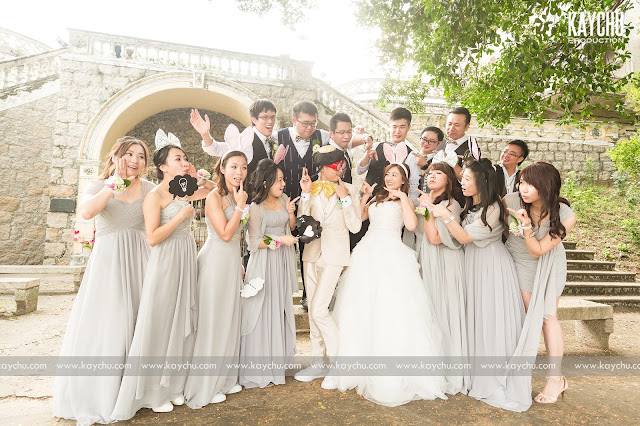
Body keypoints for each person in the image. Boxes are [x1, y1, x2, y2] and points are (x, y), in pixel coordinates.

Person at [322, 163, 447, 407]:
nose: (389, 178)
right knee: (359, 306)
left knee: (389, 308)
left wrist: (403, 198)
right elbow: (359, 220)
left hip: (391, 253)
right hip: (367, 251)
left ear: (403, 181)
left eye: (395, 175)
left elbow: (411, 225)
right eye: (388, 174)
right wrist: (365, 196)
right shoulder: (376, 199)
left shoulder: (404, 201)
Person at [112, 132, 214, 419]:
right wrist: (180, 217)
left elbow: (217, 191)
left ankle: (174, 386)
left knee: (181, 321)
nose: (184, 162)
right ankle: (152, 392)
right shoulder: (154, 196)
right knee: (160, 321)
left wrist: (199, 178)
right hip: (165, 260)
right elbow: (153, 237)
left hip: (186, 258)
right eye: (178, 158)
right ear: (163, 166)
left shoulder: (185, 189)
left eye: (185, 158)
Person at [53, 137, 154, 425]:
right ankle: (103, 393)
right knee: (110, 322)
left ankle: (134, 392)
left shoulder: (149, 189)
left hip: (142, 260)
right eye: (129, 154)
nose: (135, 160)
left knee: (138, 321)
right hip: (109, 263)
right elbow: (86, 213)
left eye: (141, 156)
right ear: (116, 156)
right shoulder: (99, 186)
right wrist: (113, 185)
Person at [429, 158, 529, 412]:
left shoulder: (494, 207)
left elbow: (464, 237)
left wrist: (446, 217)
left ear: (482, 182)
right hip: (473, 266)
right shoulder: (471, 206)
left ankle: (496, 381)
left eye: (467, 179)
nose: (462, 182)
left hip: (491, 268)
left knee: (491, 320)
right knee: (478, 320)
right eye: (462, 178)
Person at [277, 101, 370, 309]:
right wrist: (305, 194)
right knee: (292, 247)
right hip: (292, 202)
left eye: (313, 123)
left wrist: (364, 139)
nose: (310, 127)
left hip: (333, 241)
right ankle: (289, 294)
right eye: (305, 123)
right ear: (294, 120)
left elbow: (344, 139)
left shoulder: (325, 137)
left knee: (318, 308)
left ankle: (318, 297)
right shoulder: (279, 136)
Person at [505, 162, 576, 404]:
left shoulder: (565, 215)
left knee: (547, 317)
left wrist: (525, 226)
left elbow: (538, 250)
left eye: (530, 184)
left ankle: (555, 379)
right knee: (522, 315)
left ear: (545, 186)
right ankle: (514, 374)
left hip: (547, 263)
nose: (523, 189)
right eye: (521, 182)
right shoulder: (511, 201)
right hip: (516, 261)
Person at [184, 149, 250, 408]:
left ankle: (224, 378)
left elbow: (236, 237)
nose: (239, 172)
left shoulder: (236, 194)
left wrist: (239, 262)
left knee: (229, 318)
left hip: (230, 262)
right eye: (233, 166)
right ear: (222, 168)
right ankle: (205, 384)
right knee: (213, 321)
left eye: (243, 167)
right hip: (214, 262)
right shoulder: (215, 197)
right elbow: (224, 234)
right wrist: (240, 207)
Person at [294, 145, 362, 382]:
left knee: (319, 310)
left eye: (341, 165)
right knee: (313, 313)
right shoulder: (310, 188)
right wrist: (304, 194)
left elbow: (355, 227)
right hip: (312, 253)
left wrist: (345, 199)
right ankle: (317, 363)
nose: (340, 170)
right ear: (322, 168)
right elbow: (301, 222)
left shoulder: (350, 190)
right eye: (335, 166)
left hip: (335, 256)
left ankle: (337, 364)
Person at [239, 159, 299, 388]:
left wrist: (291, 214)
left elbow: (291, 227)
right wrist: (279, 240)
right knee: (262, 310)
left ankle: (277, 365)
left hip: (281, 262)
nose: (283, 184)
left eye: (283, 180)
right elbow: (254, 242)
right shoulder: (256, 207)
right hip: (264, 263)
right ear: (266, 182)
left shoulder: (284, 199)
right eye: (279, 180)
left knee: (279, 308)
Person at [417, 159, 467, 395]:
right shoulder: (427, 201)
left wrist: (427, 209)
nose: (432, 176)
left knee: (445, 309)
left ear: (449, 179)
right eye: (430, 173)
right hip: (427, 257)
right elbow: (416, 229)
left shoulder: (451, 205)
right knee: (430, 309)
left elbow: (435, 237)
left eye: (438, 173)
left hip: (445, 260)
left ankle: (449, 369)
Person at [191, 99, 278, 177]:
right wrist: (205, 134)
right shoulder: (244, 139)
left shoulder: (275, 140)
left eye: (273, 117)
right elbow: (216, 149)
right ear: (254, 119)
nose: (270, 121)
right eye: (265, 117)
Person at [403, 125, 445, 251]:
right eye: (424, 139)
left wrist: (425, 165)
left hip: (427, 203)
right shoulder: (411, 156)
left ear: (439, 143)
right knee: (408, 233)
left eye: (431, 141)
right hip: (409, 201)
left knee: (422, 234)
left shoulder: (439, 160)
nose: (426, 143)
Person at [439, 107, 481, 180]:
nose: (451, 128)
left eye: (457, 125)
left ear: (467, 126)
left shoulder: (471, 150)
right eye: (449, 124)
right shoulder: (438, 142)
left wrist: (449, 160)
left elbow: (471, 179)